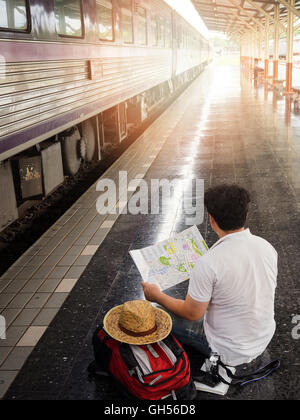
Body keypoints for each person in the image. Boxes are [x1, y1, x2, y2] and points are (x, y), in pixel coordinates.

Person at [142, 184, 278, 368]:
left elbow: (192, 313)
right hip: (263, 337)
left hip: (226, 350)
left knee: (154, 312)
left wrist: (155, 295)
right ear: (245, 215)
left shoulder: (208, 262)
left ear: (212, 220)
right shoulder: (267, 247)